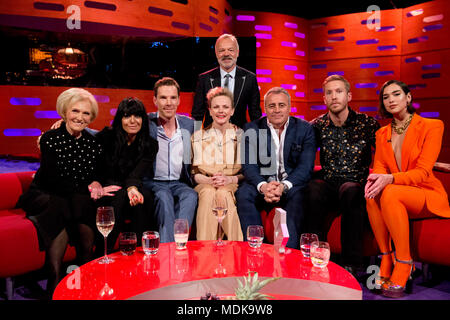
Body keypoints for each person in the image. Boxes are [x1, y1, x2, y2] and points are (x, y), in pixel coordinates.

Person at [17, 88, 108, 296]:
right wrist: (87, 185)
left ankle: (83, 274)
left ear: (91, 117)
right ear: (65, 112)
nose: (80, 117)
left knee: (78, 206)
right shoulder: (50, 138)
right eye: (75, 111)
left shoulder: (93, 144)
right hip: (44, 193)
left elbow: (95, 174)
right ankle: (55, 279)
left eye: (86, 113)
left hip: (71, 198)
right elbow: (54, 178)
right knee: (64, 204)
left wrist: (95, 181)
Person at [365, 80, 450, 298]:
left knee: (390, 190)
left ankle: (404, 262)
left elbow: (422, 172)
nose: (391, 100)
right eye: (386, 97)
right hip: (398, 196)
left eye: (396, 94)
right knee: (371, 194)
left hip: (426, 194)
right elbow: (380, 167)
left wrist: (389, 178)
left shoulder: (432, 126)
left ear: (408, 98)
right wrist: (374, 179)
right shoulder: (381, 133)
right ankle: (386, 256)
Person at [303, 75, 380, 274]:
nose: (334, 96)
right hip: (329, 185)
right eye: (329, 93)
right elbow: (303, 158)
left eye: (339, 92)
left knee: (351, 190)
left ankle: (351, 265)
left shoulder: (367, 124)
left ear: (349, 96)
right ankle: (315, 257)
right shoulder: (316, 126)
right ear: (324, 99)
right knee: (313, 187)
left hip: (356, 186)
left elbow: (385, 156)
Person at [235, 87, 316, 249]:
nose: (277, 110)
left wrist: (283, 186)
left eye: (281, 105)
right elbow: (249, 166)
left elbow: (305, 167)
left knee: (301, 195)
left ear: (289, 107)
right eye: (272, 106)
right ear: (265, 108)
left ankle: (289, 253)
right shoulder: (251, 129)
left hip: (291, 186)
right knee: (243, 193)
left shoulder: (304, 129)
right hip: (263, 184)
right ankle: (256, 250)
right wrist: (263, 186)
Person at [93, 97, 159, 253]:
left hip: (132, 185)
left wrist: (132, 189)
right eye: (127, 116)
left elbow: (137, 173)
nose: (132, 121)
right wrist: (63, 123)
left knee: (145, 198)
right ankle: (103, 252)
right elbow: (87, 136)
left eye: (137, 116)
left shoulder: (150, 145)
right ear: (120, 119)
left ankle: (140, 252)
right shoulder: (106, 137)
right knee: (119, 196)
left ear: (143, 119)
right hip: (107, 188)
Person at [143, 77, 198, 243]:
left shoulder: (189, 124)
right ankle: (168, 249)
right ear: (155, 100)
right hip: (153, 181)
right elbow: (114, 129)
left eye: (173, 97)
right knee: (164, 197)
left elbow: (213, 132)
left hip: (179, 182)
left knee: (191, 195)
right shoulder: (146, 122)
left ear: (179, 100)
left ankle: (180, 243)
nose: (168, 103)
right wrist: (65, 124)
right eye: (163, 97)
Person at [191, 87, 244, 241]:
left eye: (225, 107)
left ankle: (236, 249)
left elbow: (245, 173)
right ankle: (205, 251)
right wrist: (208, 180)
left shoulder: (242, 137)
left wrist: (229, 180)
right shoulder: (197, 137)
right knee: (208, 193)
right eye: (216, 107)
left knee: (222, 193)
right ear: (210, 110)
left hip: (231, 184)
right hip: (204, 183)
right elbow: (194, 173)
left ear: (232, 111)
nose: (221, 111)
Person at [192, 33, 262, 129]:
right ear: (216, 53)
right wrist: (196, 140)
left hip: (240, 136)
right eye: (222, 50)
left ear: (237, 52)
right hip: (211, 138)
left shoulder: (250, 78)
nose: (226, 54)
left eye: (230, 50)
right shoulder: (204, 79)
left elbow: (255, 115)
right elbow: (197, 115)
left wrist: (259, 141)